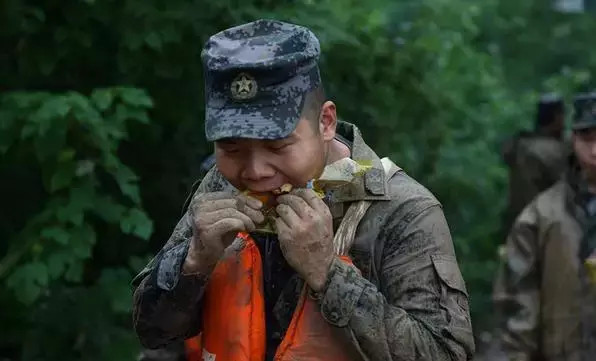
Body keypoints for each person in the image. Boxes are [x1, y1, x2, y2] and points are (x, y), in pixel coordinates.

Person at [132, 19, 474, 361]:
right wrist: (194, 261)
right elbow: (152, 331)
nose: (254, 171)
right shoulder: (221, 186)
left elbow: (446, 354)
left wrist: (327, 273)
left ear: (325, 122)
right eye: (232, 149)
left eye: (278, 147)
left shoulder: (403, 210)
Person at [494, 92, 596, 361]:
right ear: (573, 139)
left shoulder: (521, 147)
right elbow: (520, 309)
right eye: (588, 138)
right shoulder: (541, 213)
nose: (595, 150)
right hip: (548, 236)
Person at [501, 94, 567, 235]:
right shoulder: (552, 151)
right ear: (557, 118)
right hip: (543, 226)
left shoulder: (521, 146)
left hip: (518, 225)